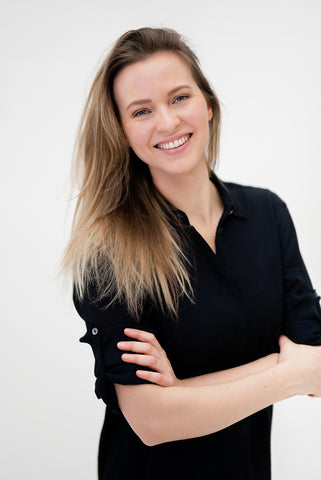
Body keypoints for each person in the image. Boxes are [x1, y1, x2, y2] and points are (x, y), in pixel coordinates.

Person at [63, 27, 321, 479]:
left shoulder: (267, 213)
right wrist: (287, 375)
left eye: (179, 98)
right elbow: (152, 422)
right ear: (122, 132)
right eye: (141, 111)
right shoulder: (108, 250)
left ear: (209, 105)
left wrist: (181, 391)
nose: (166, 122)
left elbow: (316, 358)